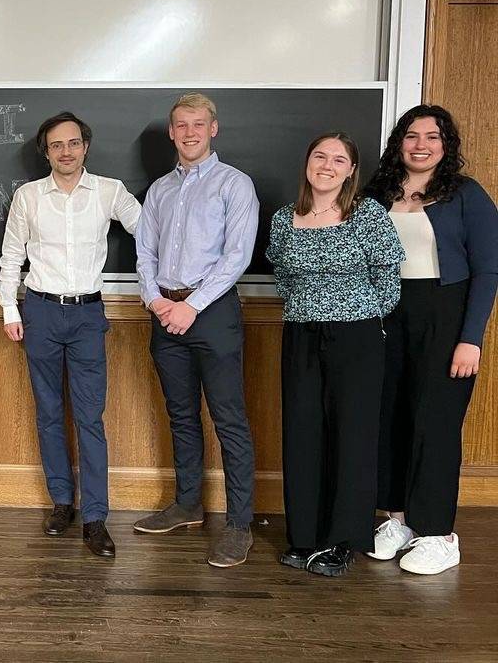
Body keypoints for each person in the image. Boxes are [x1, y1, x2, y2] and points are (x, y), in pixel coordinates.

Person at [0, 111, 141, 558]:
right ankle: (63, 503)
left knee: (89, 418)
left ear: (86, 146)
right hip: (39, 311)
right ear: (46, 151)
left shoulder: (110, 192)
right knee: (48, 413)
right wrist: (8, 307)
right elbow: (10, 257)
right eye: (57, 145)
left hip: (86, 315)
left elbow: (152, 231)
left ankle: (96, 516)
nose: (66, 151)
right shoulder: (28, 196)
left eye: (73, 143)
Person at [365, 105, 498, 575]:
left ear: (446, 145)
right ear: (399, 142)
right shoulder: (376, 194)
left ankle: (438, 533)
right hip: (386, 315)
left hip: (445, 315)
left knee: (435, 425)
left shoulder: (466, 195)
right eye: (412, 135)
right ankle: (398, 518)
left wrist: (470, 339)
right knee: (390, 418)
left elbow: (487, 271)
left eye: (433, 136)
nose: (421, 144)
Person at [267, 132, 403, 577]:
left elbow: (388, 280)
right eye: (319, 156)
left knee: (352, 436)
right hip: (301, 335)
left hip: (357, 337)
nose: (327, 165)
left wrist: (356, 315)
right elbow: (283, 279)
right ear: (307, 162)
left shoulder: (368, 216)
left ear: (350, 170)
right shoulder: (284, 219)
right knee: (303, 433)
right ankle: (304, 535)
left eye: (338, 159)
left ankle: (342, 540)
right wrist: (310, 311)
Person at [132, 92, 259, 568]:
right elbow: (145, 253)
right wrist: (155, 300)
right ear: (171, 131)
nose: (189, 132)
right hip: (166, 313)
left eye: (198, 124)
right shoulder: (160, 190)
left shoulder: (235, 184)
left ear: (213, 129)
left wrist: (194, 306)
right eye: (181, 125)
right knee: (180, 414)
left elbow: (237, 256)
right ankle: (187, 505)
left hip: (214, 314)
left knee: (229, 419)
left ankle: (239, 523)